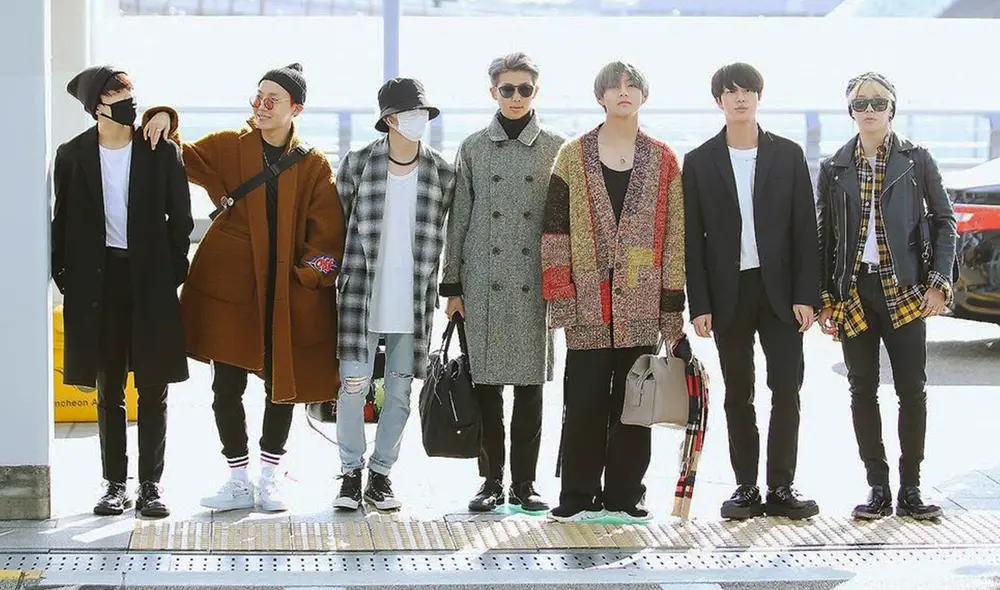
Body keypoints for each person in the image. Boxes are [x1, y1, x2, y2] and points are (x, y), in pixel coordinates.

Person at [141, 63, 345, 512]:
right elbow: (180, 155)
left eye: (273, 99)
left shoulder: (312, 164)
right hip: (231, 291)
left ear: (297, 108)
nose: (262, 106)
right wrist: (164, 117)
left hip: (283, 293)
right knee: (225, 388)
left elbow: (328, 237)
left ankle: (270, 477)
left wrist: (308, 276)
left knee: (281, 386)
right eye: (258, 96)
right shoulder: (230, 146)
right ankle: (237, 478)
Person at [541, 61, 685, 523]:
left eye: (632, 86)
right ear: (600, 97)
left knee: (635, 402)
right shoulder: (571, 154)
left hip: (642, 301)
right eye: (614, 86)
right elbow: (555, 233)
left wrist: (671, 310)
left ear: (644, 96)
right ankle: (577, 494)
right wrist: (561, 296)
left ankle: (626, 493)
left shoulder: (663, 160)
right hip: (586, 302)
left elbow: (675, 237)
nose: (623, 92)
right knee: (582, 401)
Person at [682, 63, 821, 521]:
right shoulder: (700, 161)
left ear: (760, 96)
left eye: (747, 91)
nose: (740, 98)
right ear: (718, 101)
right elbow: (692, 240)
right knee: (737, 392)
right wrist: (699, 304)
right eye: (730, 91)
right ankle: (746, 487)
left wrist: (808, 294)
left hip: (782, 292)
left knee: (787, 387)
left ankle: (781, 486)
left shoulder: (789, 154)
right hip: (728, 293)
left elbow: (806, 230)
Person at [53, 65, 193, 517]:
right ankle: (115, 483)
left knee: (153, 384)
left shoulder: (160, 151)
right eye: (118, 93)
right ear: (97, 105)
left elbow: (181, 219)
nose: (128, 100)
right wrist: (66, 277)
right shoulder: (71, 155)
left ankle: (151, 484)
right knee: (107, 385)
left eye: (131, 91)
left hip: (150, 277)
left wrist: (170, 270)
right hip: (98, 280)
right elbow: (63, 221)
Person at [816, 72, 956, 521]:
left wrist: (939, 281)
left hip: (907, 289)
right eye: (861, 103)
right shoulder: (834, 166)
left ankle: (910, 489)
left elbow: (944, 222)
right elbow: (825, 237)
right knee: (862, 390)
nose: (870, 109)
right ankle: (877, 487)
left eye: (878, 102)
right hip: (854, 291)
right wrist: (825, 297)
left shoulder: (917, 160)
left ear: (892, 109)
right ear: (851, 111)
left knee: (912, 391)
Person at [440, 52, 565, 514]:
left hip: (534, 281)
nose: (515, 98)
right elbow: (460, 220)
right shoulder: (473, 147)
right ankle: (491, 481)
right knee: (485, 387)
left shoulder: (556, 146)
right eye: (507, 89)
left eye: (524, 89)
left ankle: (525, 484)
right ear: (493, 92)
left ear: (537, 91)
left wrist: (563, 282)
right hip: (482, 279)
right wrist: (451, 285)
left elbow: (563, 224)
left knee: (531, 388)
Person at [333, 77, 456, 512]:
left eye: (423, 113)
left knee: (400, 392)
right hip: (360, 294)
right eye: (410, 113)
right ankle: (350, 472)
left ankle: (381, 475)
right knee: (352, 386)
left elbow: (450, 234)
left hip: (413, 297)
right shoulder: (357, 164)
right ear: (389, 120)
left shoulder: (442, 172)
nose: (418, 121)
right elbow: (337, 223)